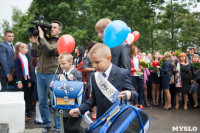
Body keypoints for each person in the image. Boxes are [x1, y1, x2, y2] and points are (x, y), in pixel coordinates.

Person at [69, 43, 138, 120]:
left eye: (97, 62)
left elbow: (134, 94)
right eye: (92, 62)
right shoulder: (94, 76)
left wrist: (129, 94)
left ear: (108, 58)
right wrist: (80, 109)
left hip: (118, 118)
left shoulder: (122, 73)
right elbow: (93, 99)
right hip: (102, 119)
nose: (94, 66)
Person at [31, 21, 63, 133]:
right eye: (51, 27)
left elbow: (50, 50)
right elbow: (35, 54)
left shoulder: (60, 42)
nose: (51, 29)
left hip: (52, 74)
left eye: (54, 27)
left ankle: (58, 127)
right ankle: (47, 124)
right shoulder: (45, 40)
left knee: (55, 102)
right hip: (40, 73)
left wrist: (42, 37)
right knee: (43, 101)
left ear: (59, 31)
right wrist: (35, 41)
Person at [50, 52, 84, 133]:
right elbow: (60, 90)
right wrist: (52, 86)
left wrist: (73, 80)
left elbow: (80, 88)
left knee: (74, 127)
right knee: (66, 126)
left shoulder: (77, 73)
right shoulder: (62, 75)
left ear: (71, 62)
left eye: (64, 64)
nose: (61, 66)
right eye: (60, 64)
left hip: (75, 105)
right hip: (64, 105)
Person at [14, 43, 32, 121]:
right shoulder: (17, 59)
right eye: (25, 48)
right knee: (22, 98)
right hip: (21, 80)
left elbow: (27, 70)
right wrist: (19, 81)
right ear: (20, 49)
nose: (27, 50)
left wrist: (29, 81)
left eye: (27, 48)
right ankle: (22, 115)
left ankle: (27, 113)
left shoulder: (25, 57)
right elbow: (17, 71)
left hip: (26, 79)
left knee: (27, 97)